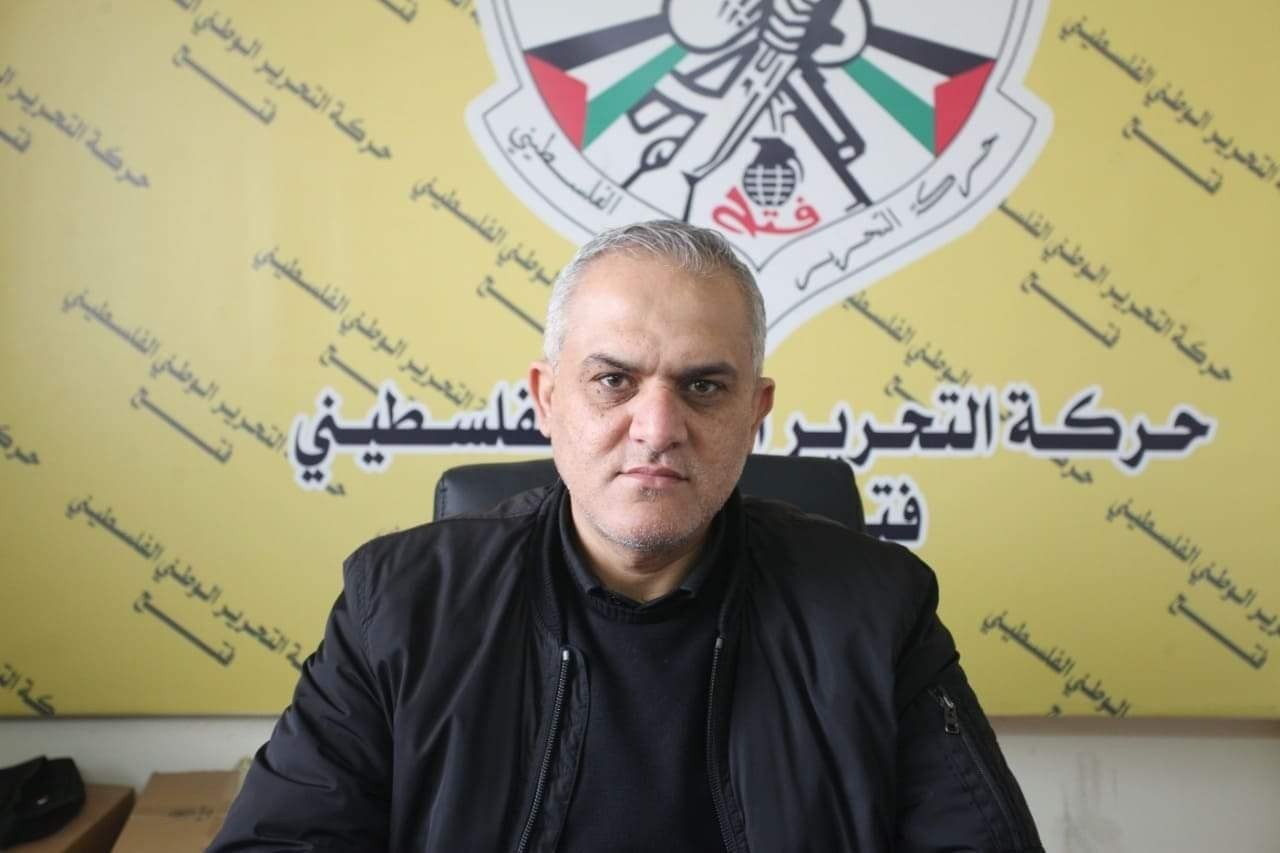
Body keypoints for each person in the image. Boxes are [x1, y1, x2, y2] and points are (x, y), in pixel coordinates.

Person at [210, 220, 1042, 852]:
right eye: (614, 380)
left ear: (755, 413)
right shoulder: (396, 605)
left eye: (703, 386)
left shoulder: (878, 609)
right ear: (547, 399)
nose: (657, 427)